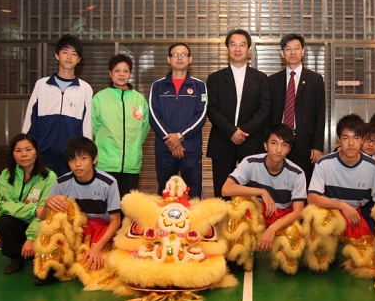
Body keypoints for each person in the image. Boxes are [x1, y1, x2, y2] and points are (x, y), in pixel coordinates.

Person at [35, 137, 121, 285]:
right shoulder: (61, 183)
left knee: (94, 268)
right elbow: (45, 219)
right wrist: (47, 204)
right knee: (57, 214)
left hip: (99, 232)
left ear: (94, 159)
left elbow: (116, 220)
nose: (77, 164)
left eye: (83, 158)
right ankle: (52, 267)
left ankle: (74, 261)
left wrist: (98, 247)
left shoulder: (108, 183)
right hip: (73, 232)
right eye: (72, 159)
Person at [221, 124, 306, 262]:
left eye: (284, 145)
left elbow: (298, 211)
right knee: (236, 204)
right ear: (265, 145)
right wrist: (262, 192)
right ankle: (238, 255)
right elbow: (226, 189)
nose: (278, 149)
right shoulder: (251, 162)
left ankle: (277, 251)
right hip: (257, 214)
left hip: (281, 217)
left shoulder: (297, 173)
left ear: (289, 150)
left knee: (292, 242)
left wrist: (273, 228)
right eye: (274, 143)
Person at [206, 29, 270, 198]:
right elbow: (212, 109)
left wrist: (243, 131)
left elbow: (264, 109)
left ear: (248, 49)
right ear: (227, 48)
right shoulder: (215, 78)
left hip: (251, 142)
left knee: (250, 195)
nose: (237, 48)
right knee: (222, 193)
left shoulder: (261, 78)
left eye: (242, 45)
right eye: (233, 44)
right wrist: (231, 131)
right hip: (222, 141)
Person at [22, 34, 93, 176]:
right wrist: (26, 150)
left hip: (71, 160)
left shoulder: (85, 89)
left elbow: (86, 128)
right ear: (57, 55)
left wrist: (85, 156)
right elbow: (29, 121)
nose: (69, 57)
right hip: (42, 157)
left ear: (79, 59)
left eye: (74, 54)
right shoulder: (41, 85)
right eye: (65, 52)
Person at [308, 114, 375, 237]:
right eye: (346, 138)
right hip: (328, 215)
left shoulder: (373, 167)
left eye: (356, 138)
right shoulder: (324, 163)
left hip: (356, 216)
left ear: (362, 140)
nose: (351, 143)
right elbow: (312, 198)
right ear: (339, 140)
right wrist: (342, 206)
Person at [149, 43, 207, 198]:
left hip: (191, 149)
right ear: (169, 59)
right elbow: (153, 115)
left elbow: (201, 115)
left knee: (194, 196)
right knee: (165, 194)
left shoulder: (200, 86)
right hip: (165, 149)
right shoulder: (157, 86)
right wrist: (172, 140)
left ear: (190, 59)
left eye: (184, 54)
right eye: (175, 54)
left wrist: (180, 136)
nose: (179, 58)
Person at [268, 34, 325, 186]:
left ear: (303, 51)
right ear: (282, 53)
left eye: (296, 48)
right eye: (288, 49)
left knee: (303, 185)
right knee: (277, 185)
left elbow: (320, 114)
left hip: (305, 143)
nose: (292, 52)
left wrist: (317, 146)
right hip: (278, 143)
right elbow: (268, 114)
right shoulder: (272, 81)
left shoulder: (315, 80)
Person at [0, 134, 56, 274]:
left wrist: (31, 238)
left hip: (39, 225)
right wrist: (33, 210)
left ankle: (35, 254)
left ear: (36, 152)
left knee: (49, 218)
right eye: (18, 150)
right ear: (12, 154)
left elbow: (45, 212)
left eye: (28, 149)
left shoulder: (49, 177)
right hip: (19, 222)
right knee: (5, 220)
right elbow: (4, 205)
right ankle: (16, 259)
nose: (24, 154)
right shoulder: (5, 176)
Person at [92, 54, 150, 198]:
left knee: (128, 205)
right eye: (117, 70)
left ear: (130, 73)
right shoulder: (99, 98)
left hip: (131, 164)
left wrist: (134, 148)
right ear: (110, 73)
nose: (121, 74)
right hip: (105, 164)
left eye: (125, 71)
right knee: (106, 206)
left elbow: (144, 129)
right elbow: (92, 129)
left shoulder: (139, 99)